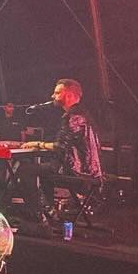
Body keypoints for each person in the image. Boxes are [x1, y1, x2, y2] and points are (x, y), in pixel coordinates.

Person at [14, 78, 102, 231]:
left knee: (25, 170)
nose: (52, 96)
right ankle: (50, 213)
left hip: (78, 170)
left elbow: (60, 147)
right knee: (44, 171)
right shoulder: (82, 114)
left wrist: (37, 144)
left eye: (57, 93)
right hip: (86, 168)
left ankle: (40, 215)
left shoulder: (73, 117)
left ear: (68, 95)